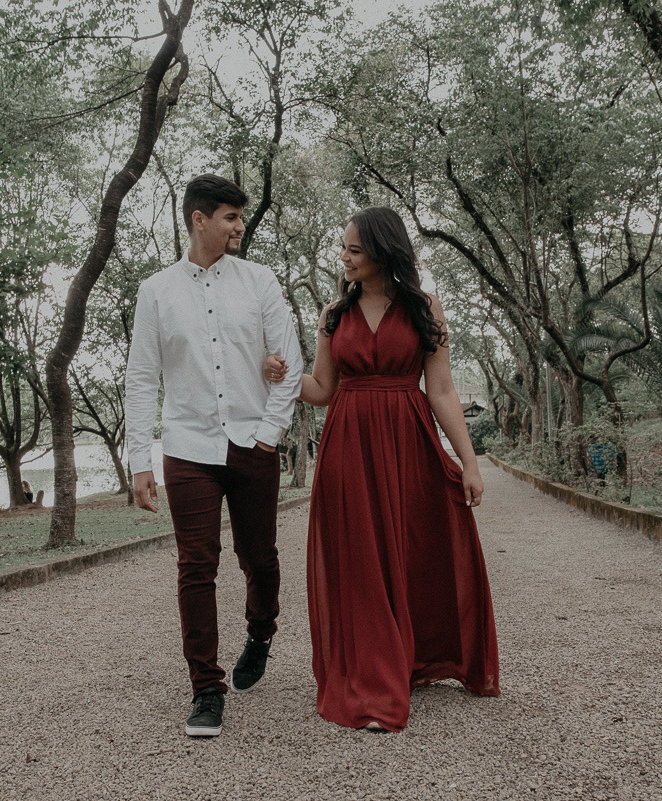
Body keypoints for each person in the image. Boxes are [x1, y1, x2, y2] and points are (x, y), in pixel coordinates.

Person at [265, 206, 499, 732]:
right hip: (348, 446)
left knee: (415, 549)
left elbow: (441, 389)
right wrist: (279, 375)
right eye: (342, 249)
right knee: (360, 560)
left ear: (382, 252)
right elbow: (322, 390)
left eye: (354, 250)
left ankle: (415, 657)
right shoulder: (333, 314)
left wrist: (468, 463)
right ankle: (373, 683)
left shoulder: (424, 306)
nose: (343, 258)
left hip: (409, 441)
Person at [124, 174, 303, 738]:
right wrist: (139, 459)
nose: (239, 226)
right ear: (199, 219)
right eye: (231, 216)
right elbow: (141, 378)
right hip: (188, 448)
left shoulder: (259, 281)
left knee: (260, 558)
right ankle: (206, 688)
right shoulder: (156, 292)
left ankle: (261, 631)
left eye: (241, 217)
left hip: (253, 442)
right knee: (196, 566)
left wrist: (270, 432)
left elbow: (290, 361)